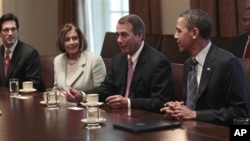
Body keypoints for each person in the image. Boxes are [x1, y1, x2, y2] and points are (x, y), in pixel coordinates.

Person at [61, 14, 174, 113]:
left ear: (139, 36)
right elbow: (106, 89)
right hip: (119, 117)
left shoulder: (158, 62)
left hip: (144, 121)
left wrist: (128, 102)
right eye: (117, 35)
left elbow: (160, 102)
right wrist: (81, 95)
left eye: (124, 35)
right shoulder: (118, 60)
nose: (119, 40)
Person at [160, 9, 249, 126]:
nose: (175, 36)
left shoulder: (227, 63)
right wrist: (178, 109)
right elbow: (193, 106)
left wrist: (195, 115)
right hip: (191, 131)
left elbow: (239, 113)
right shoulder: (188, 64)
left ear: (195, 33)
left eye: (179, 31)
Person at [54, 23, 106, 92]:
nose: (71, 42)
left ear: (80, 40)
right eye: (67, 39)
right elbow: (56, 88)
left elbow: (101, 91)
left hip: (84, 102)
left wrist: (80, 97)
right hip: (61, 102)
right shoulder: (58, 60)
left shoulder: (94, 60)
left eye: (75, 38)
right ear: (62, 43)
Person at [0, 13, 41, 90]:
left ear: (18, 31)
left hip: (21, 100)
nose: (10, 33)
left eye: (13, 29)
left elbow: (34, 84)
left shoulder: (30, 53)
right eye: (6, 30)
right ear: (0, 34)